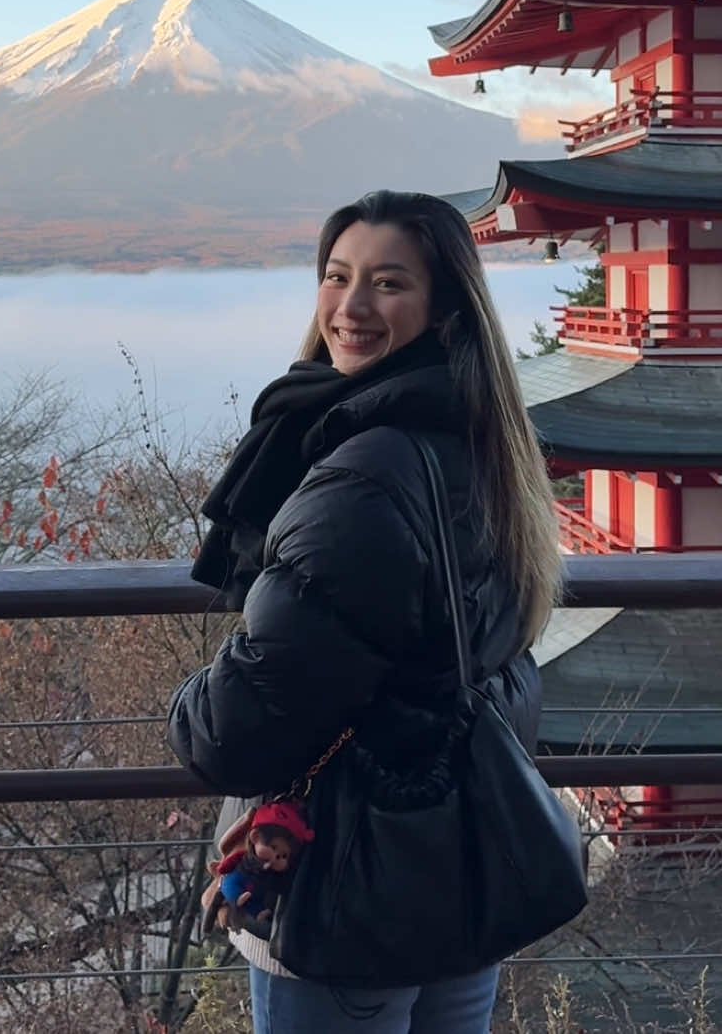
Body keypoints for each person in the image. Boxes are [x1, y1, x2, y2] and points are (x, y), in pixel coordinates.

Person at [167, 188, 563, 1033]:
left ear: (443, 307)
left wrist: (191, 699)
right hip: (456, 867)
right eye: (337, 276)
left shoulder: (362, 475)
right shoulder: (481, 438)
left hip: (349, 885)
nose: (351, 306)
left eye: (388, 283)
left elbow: (238, 728)